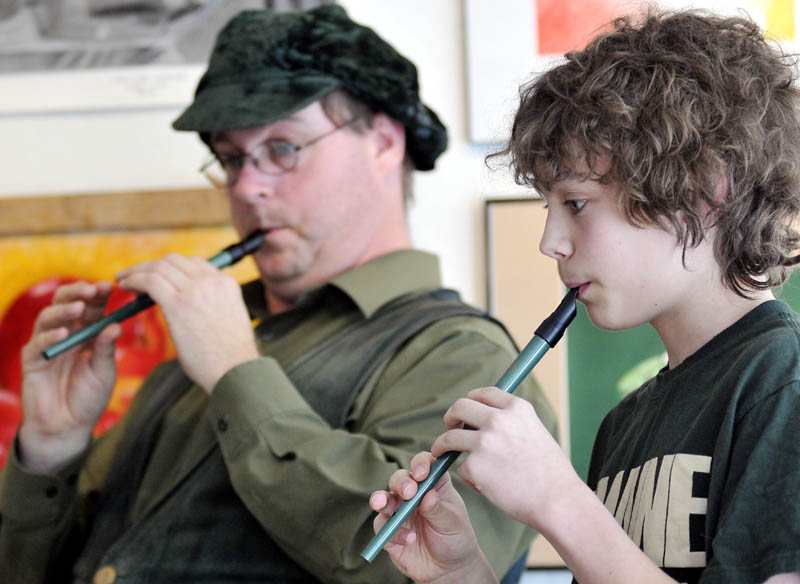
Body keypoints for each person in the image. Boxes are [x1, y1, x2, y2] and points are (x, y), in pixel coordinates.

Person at [0, 5, 557, 584]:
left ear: (383, 143)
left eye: (283, 148)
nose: (247, 187)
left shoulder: (469, 358)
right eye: (232, 157)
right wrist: (50, 445)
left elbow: (400, 570)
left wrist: (235, 373)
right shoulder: (213, 337)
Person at [369, 9, 800, 584]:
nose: (550, 242)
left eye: (575, 204)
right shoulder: (625, 423)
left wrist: (558, 500)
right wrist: (461, 572)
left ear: (702, 189)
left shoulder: (783, 382)